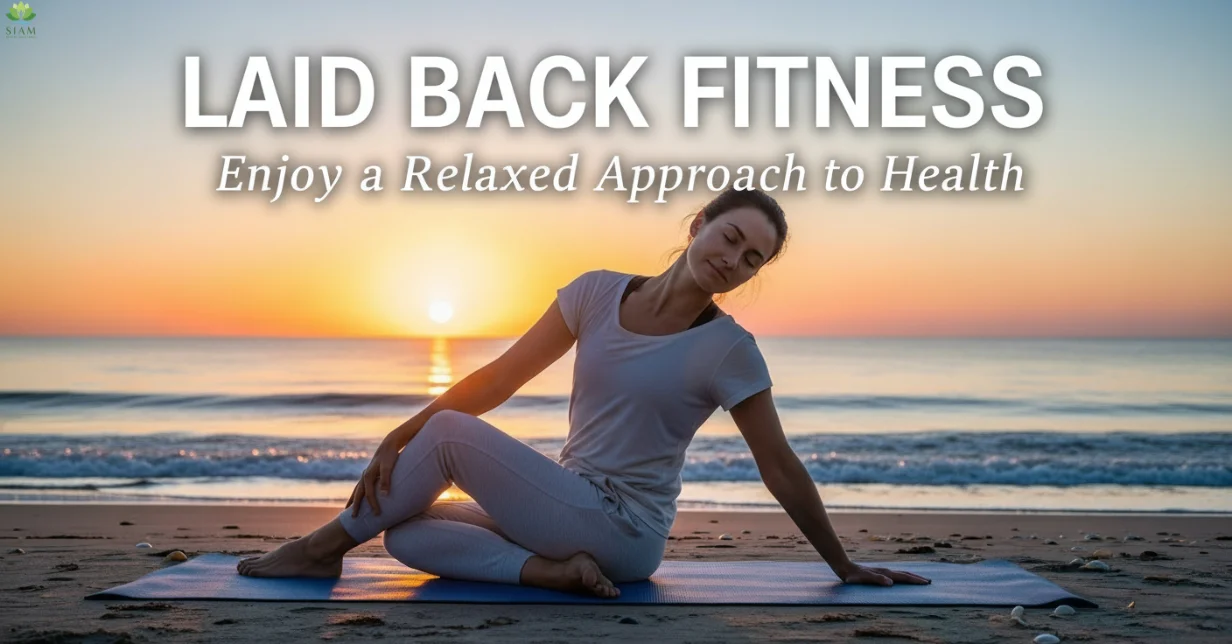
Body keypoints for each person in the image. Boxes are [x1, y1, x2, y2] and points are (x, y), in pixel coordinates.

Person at [237, 187, 931, 596]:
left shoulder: (730, 351)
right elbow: (500, 379)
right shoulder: (596, 293)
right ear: (697, 226)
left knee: (445, 435)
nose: (734, 260)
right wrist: (397, 434)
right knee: (407, 535)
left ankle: (321, 547)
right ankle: (551, 573)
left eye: (753, 258)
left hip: (627, 531)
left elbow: (778, 466)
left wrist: (841, 564)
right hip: (569, 508)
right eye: (730, 237)